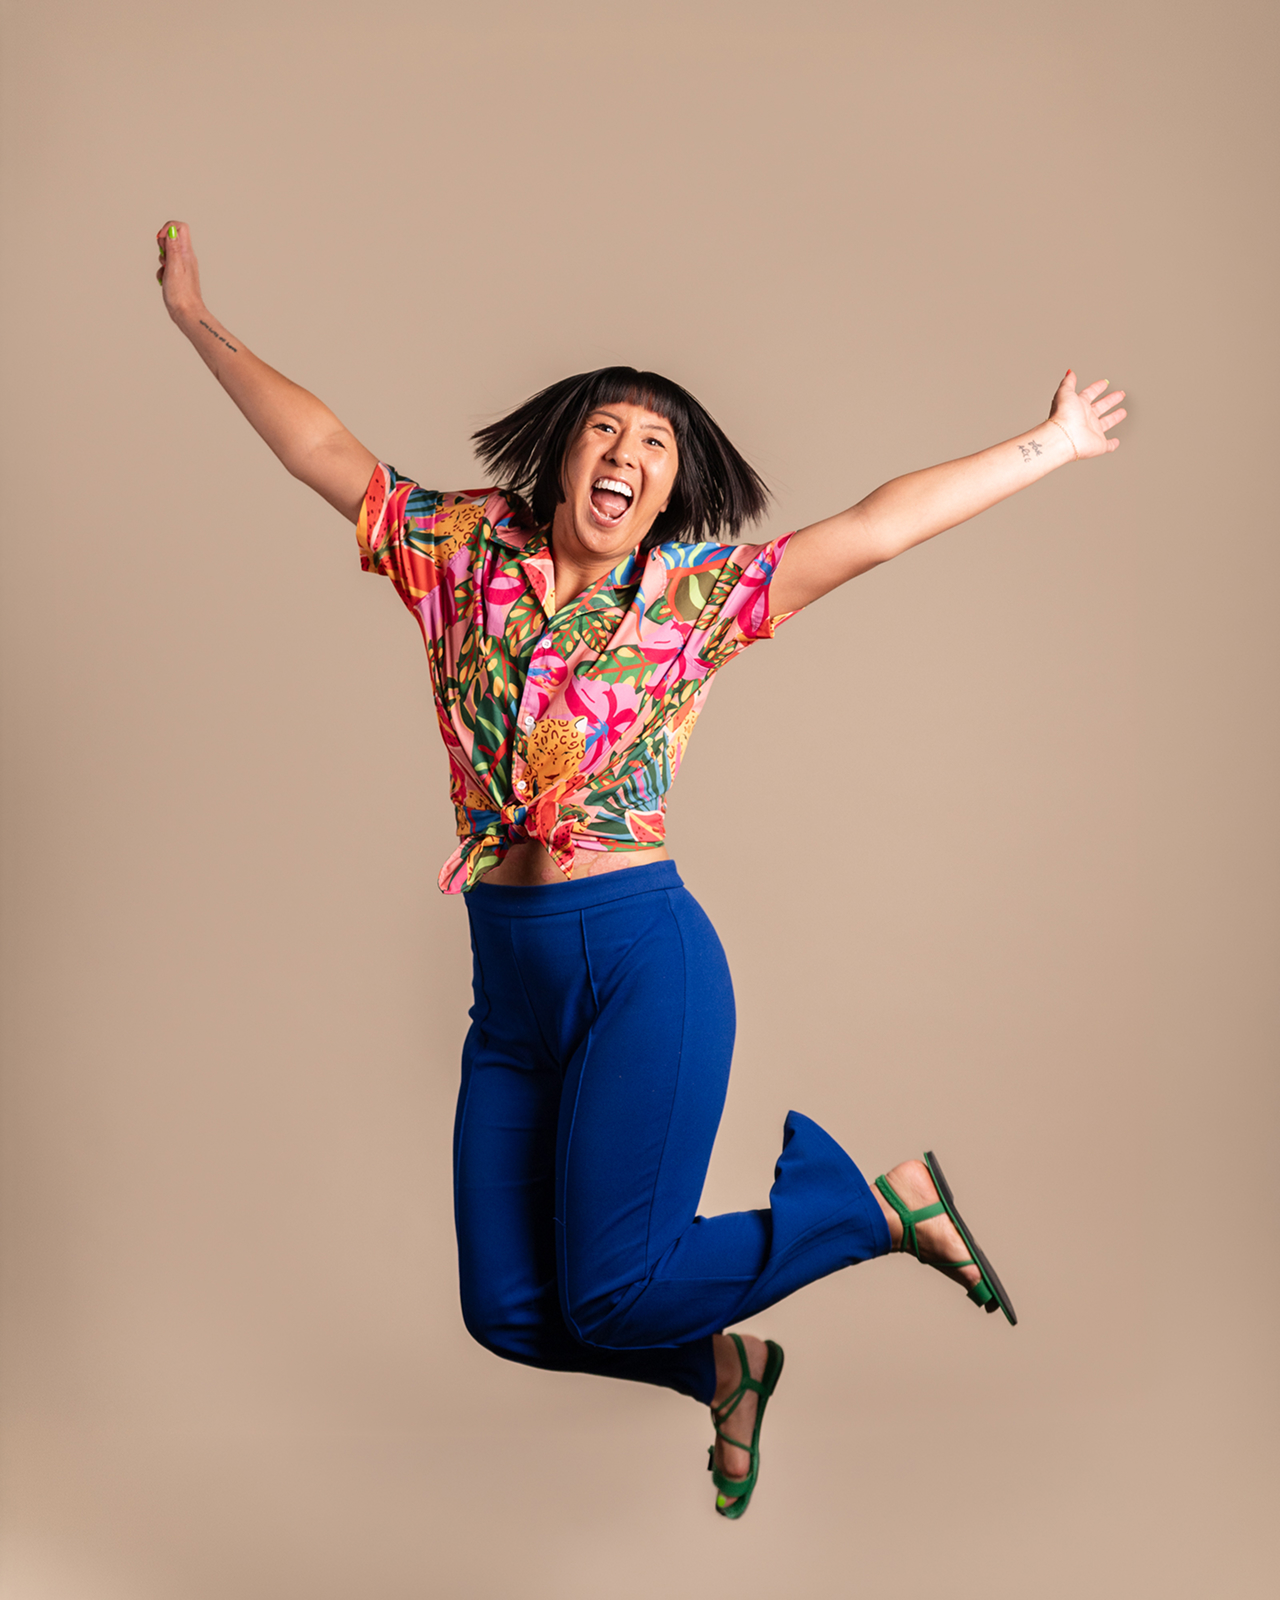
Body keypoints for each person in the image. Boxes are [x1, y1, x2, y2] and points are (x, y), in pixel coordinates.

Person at [154, 220, 1127, 1518]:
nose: (626, 454)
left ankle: (876, 1210)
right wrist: (197, 321)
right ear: (565, 454)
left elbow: (875, 529)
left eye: (654, 446)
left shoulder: (694, 601)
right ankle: (724, 1367)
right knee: (510, 1310)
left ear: (670, 494)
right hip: (510, 987)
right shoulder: (458, 554)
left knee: (611, 1287)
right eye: (607, 431)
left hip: (637, 960)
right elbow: (321, 449)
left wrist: (1050, 444)